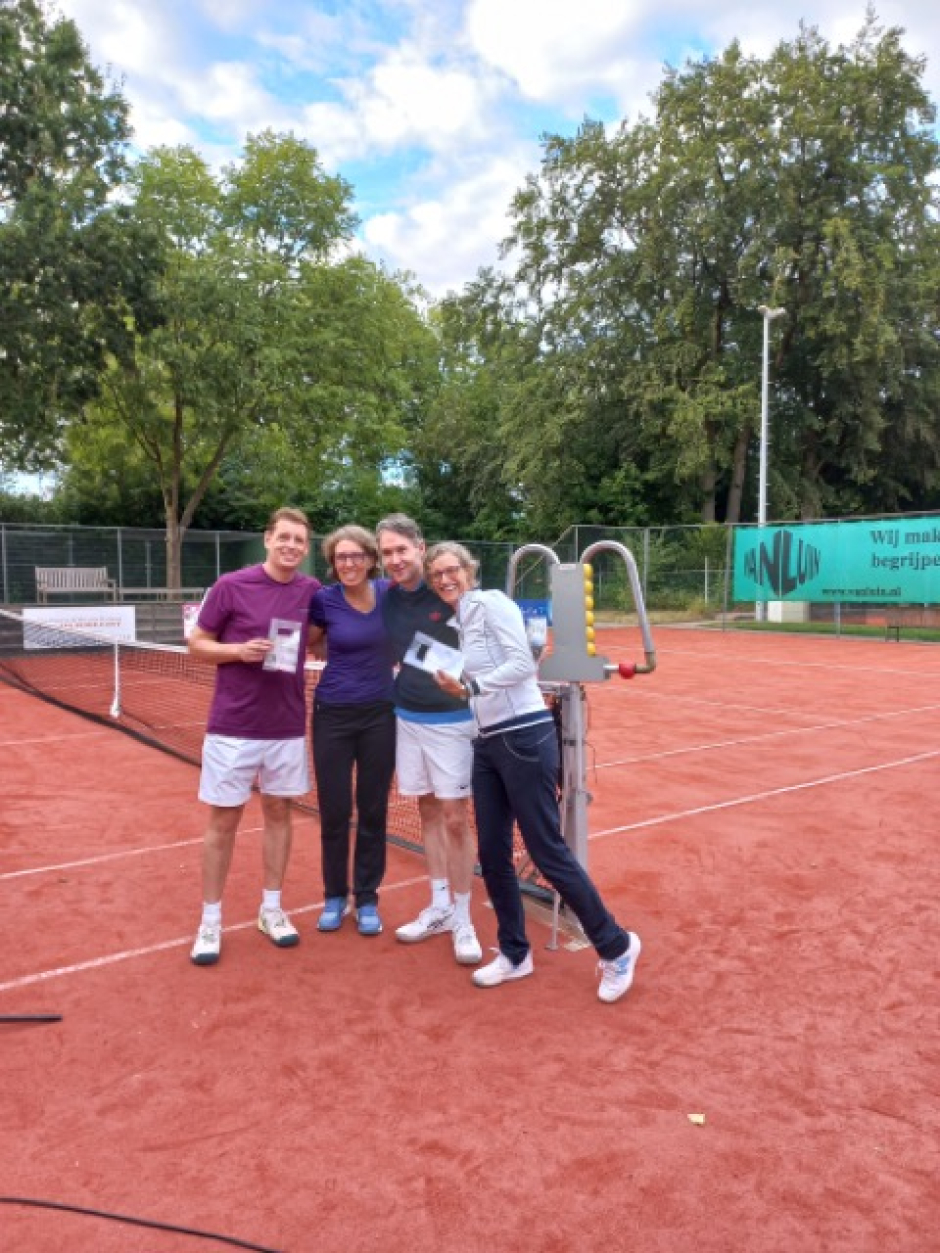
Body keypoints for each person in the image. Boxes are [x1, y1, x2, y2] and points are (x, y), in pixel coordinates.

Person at [426, 541, 642, 1004]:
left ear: (468, 570)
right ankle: (514, 953)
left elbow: (523, 663)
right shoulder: (458, 621)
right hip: (486, 743)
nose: (445, 579)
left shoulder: (491, 603)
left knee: (546, 851)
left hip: (523, 736)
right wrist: (459, 688)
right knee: (493, 853)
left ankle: (617, 946)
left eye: (451, 570)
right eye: (436, 575)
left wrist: (470, 687)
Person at [188, 507, 321, 966]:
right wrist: (238, 651)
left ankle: (272, 909)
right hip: (233, 727)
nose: (291, 546)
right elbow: (197, 643)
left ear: (306, 547)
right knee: (223, 822)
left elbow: (319, 638)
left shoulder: (311, 591)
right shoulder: (231, 585)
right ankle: (210, 921)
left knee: (279, 814)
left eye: (299, 540)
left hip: (287, 726)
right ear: (267, 539)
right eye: (284, 537)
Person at [375, 513, 483, 966]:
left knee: (456, 818)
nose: (395, 559)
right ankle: (439, 905)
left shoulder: (449, 589)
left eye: (402, 549)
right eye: (387, 552)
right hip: (407, 719)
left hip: (453, 722)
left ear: (420, 548)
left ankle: (464, 917)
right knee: (428, 811)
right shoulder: (386, 598)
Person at [307, 525, 396, 937]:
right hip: (332, 715)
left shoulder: (389, 593)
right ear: (333, 563)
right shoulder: (324, 600)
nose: (348, 563)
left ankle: (367, 897)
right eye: (341, 557)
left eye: (356, 555)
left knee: (373, 809)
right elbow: (312, 643)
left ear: (371, 559)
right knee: (335, 810)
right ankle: (334, 895)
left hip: (381, 714)